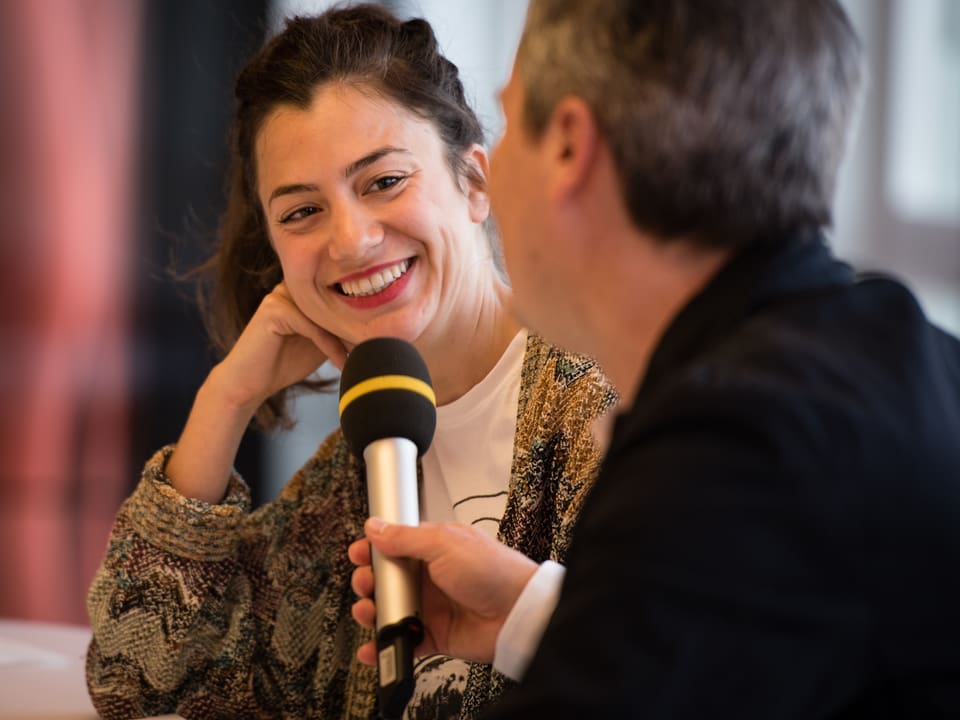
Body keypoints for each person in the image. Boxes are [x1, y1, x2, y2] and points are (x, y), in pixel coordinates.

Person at [349, 0, 960, 716]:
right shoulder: (893, 349)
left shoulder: (733, 451)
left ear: (571, 146)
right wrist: (533, 612)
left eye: (510, 124)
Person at [85, 5, 617, 720]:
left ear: (474, 182)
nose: (352, 241)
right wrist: (226, 398)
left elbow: (701, 669)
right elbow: (137, 680)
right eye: (302, 213)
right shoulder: (347, 481)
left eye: (384, 181)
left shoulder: (610, 407)